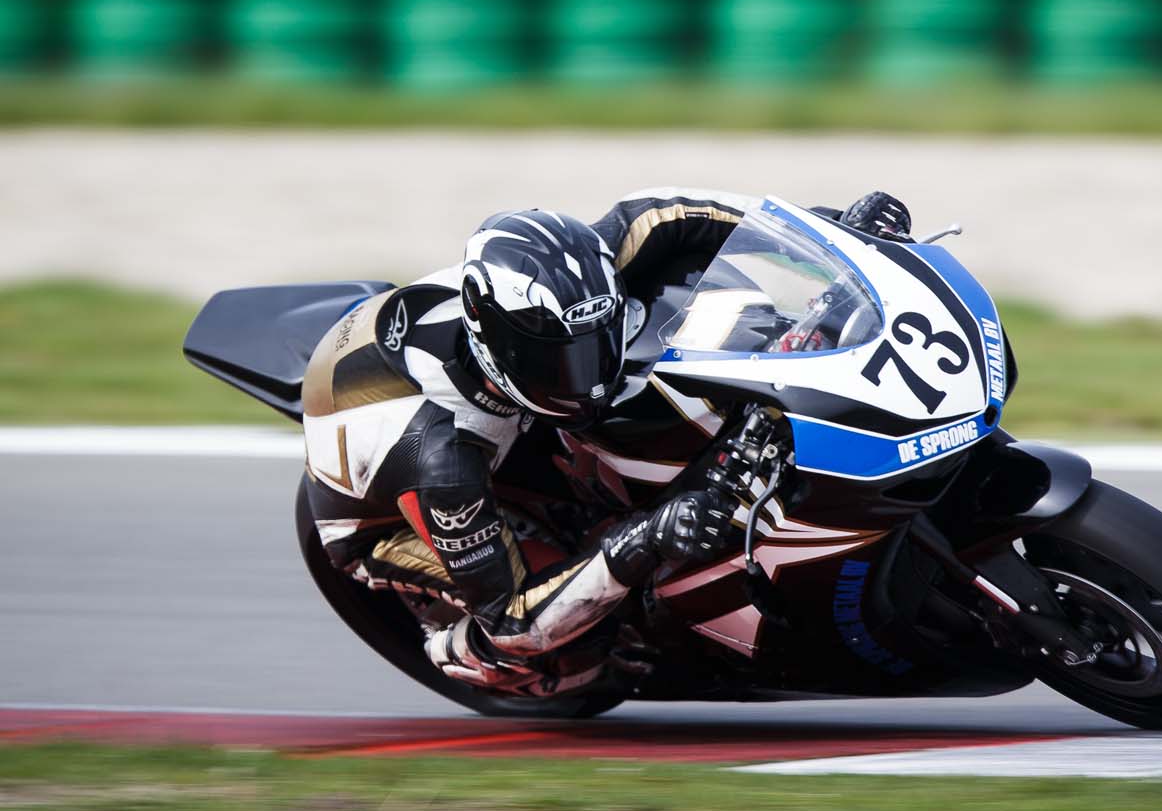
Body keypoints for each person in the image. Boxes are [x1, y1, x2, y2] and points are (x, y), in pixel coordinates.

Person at [299, 188, 912, 696]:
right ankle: (464, 655)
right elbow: (515, 616)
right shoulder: (443, 462)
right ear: (502, 350)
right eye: (567, 359)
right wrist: (643, 539)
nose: (591, 374)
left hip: (492, 406)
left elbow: (682, 216)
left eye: (598, 341)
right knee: (575, 647)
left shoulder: (591, 265)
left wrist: (833, 235)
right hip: (387, 515)